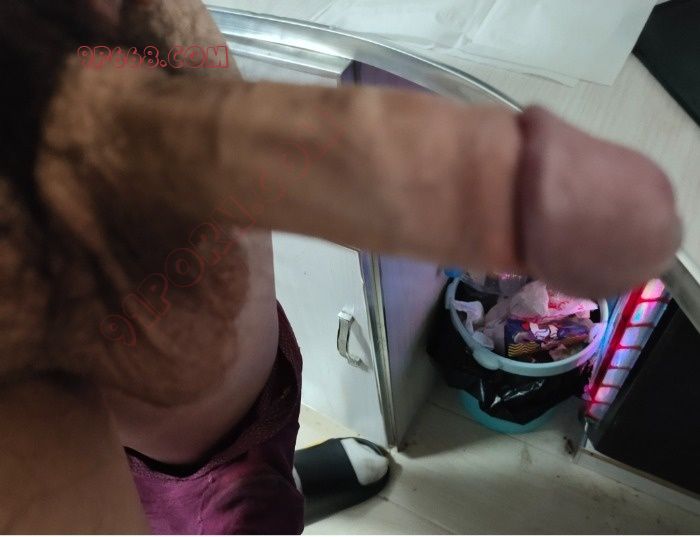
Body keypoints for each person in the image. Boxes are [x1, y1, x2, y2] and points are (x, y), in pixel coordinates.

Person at [0, 0, 682, 533]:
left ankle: (272, 470)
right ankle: (254, 497)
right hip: (165, 457)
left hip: (234, 364)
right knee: (226, 500)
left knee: (254, 416)